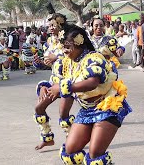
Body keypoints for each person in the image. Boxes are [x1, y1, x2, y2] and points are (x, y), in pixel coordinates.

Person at [46, 25, 132, 165]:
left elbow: (92, 82)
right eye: (63, 47)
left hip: (107, 107)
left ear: (79, 43)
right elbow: (64, 93)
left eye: (68, 47)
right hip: (86, 110)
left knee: (95, 155)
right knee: (70, 151)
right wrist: (50, 93)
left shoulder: (93, 58)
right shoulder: (67, 64)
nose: (64, 51)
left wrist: (63, 87)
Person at [34, 13, 69, 150]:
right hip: (53, 81)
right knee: (39, 108)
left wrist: (57, 56)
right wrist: (39, 63)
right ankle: (47, 138)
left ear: (60, 24)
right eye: (49, 26)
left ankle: (71, 141)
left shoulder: (69, 38)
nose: (50, 28)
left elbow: (75, 54)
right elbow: (49, 64)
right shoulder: (49, 41)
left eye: (53, 25)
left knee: (63, 114)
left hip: (68, 82)